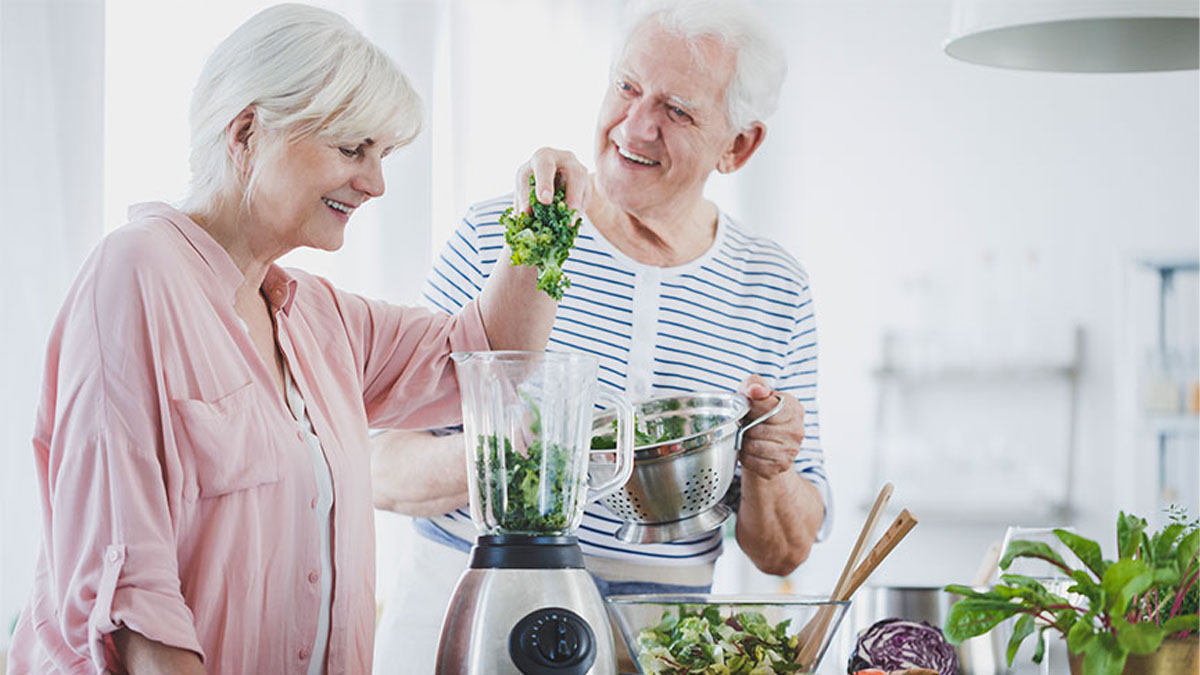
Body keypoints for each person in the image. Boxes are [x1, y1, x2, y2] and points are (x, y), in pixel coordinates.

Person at [8, 4, 562, 673]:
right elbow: (133, 598)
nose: (376, 182)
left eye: (382, 155)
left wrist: (548, 217)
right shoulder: (136, 273)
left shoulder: (320, 318)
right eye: (352, 148)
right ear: (247, 130)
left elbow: (491, 357)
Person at [371, 0, 832, 670]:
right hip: (468, 610)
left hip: (655, 640)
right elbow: (382, 465)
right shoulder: (512, 232)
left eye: (676, 109)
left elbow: (785, 549)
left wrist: (770, 464)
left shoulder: (774, 288)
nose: (636, 125)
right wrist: (514, 451)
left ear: (738, 145)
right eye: (626, 86)